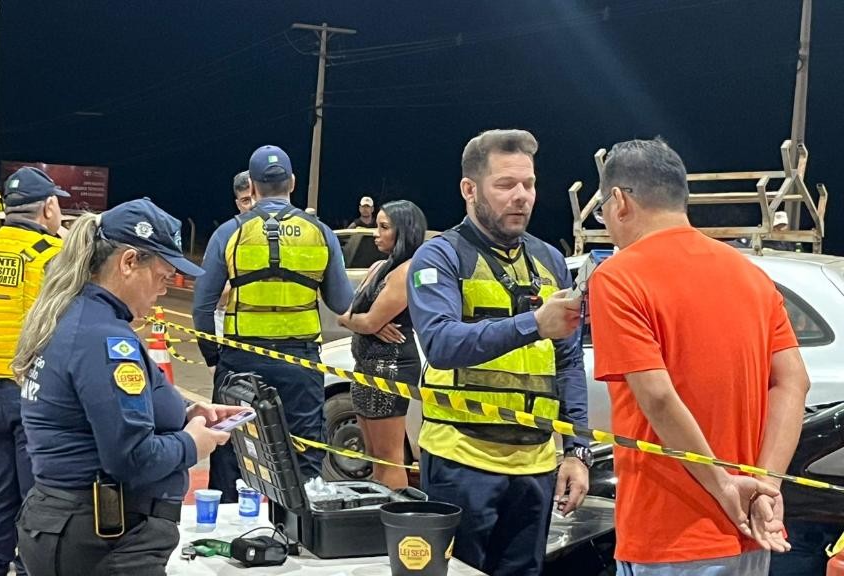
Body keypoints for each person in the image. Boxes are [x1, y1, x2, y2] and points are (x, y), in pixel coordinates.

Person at [587, 138, 810, 575]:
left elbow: (657, 396)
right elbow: (793, 381)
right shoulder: (751, 275)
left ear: (619, 201)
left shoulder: (618, 276)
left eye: (602, 211)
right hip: (750, 528)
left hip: (669, 534)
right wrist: (765, 486)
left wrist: (723, 485)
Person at [13, 198, 241, 576]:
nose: (164, 290)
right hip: (105, 540)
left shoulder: (77, 315)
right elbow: (131, 457)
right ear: (129, 262)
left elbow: (98, 414)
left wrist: (186, 415)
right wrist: (193, 443)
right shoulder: (105, 340)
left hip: (74, 527)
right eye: (163, 277)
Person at [407, 129, 590, 575]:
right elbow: (441, 343)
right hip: (460, 461)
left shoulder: (549, 260)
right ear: (469, 189)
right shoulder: (440, 257)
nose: (521, 196)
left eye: (528, 184)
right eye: (505, 184)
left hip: (536, 464)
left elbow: (567, 361)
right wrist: (534, 324)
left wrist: (576, 449)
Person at [193, 145, 353, 501]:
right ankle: (298, 525)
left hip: (240, 360)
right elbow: (342, 302)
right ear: (292, 182)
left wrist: (214, 356)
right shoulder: (320, 232)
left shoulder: (229, 232)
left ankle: (230, 525)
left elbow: (202, 307)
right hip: (300, 363)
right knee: (305, 454)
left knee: (233, 452)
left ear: (251, 185)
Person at [0, 167, 67, 576]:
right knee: (35, 495)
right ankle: (28, 568)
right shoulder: (50, 255)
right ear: (49, 207)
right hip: (33, 392)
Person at [336, 200, 426, 489]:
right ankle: (379, 509)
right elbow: (351, 315)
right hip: (364, 366)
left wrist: (363, 322)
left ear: (404, 232)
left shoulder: (408, 271)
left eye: (384, 227)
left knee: (389, 458)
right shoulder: (378, 267)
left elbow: (366, 321)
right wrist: (361, 321)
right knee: (374, 456)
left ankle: (395, 512)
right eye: (377, 225)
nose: (376, 233)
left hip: (390, 368)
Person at [215, 171, 255, 337]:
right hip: (230, 322)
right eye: (246, 201)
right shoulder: (226, 235)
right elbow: (210, 296)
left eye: (255, 198)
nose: (252, 205)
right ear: (238, 204)